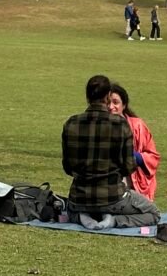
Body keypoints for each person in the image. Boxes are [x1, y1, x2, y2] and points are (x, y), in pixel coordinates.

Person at [61, 74, 160, 229]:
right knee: (153, 213)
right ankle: (114, 220)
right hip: (113, 197)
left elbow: (67, 167)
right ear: (107, 96)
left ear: (87, 96)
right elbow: (128, 167)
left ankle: (80, 216)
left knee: (72, 207)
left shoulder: (71, 123)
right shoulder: (120, 124)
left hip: (78, 198)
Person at [108, 83, 161, 200]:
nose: (111, 107)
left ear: (124, 105)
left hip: (136, 186)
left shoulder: (137, 126)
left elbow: (153, 158)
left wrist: (135, 157)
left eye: (115, 102)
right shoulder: (97, 127)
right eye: (107, 102)